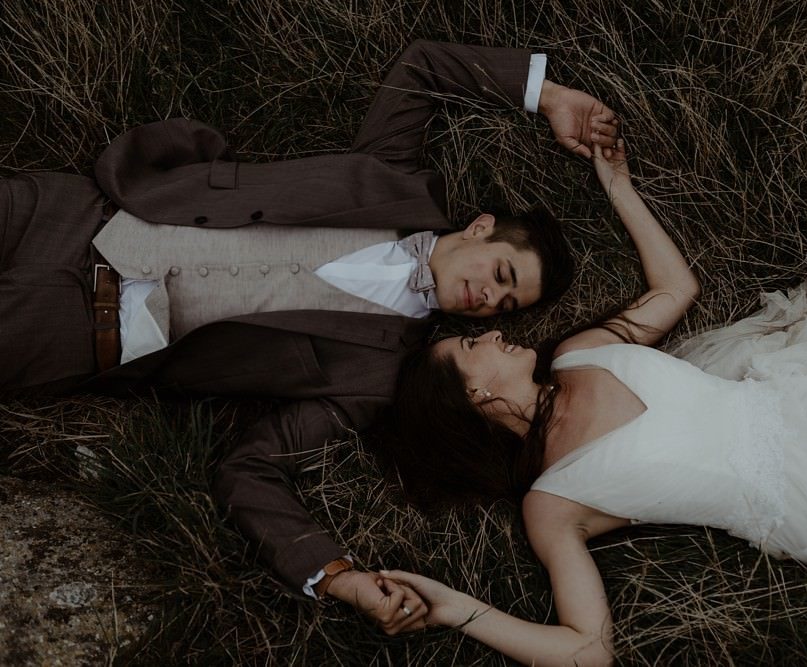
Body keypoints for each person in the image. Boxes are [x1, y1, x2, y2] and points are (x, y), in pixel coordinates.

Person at [0, 41, 619, 632]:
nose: (488, 299)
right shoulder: (394, 176)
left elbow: (251, 470)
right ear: (480, 228)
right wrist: (550, 96)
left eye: (504, 305)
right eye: (501, 274)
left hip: (76, 332)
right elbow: (424, 65)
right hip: (70, 215)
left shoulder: (373, 376)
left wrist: (338, 578)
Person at [384, 139, 807, 663]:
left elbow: (675, 287)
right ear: (474, 395)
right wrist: (454, 609)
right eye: (473, 343)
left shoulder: (578, 353)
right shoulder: (552, 505)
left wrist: (618, 184)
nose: (493, 331)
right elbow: (587, 649)